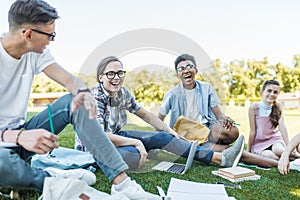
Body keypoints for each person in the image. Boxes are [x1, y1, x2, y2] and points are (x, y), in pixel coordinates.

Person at [0, 1, 160, 199]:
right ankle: (50, 178)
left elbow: (69, 80)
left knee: (73, 102)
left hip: (21, 140)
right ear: (28, 34)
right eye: (50, 35)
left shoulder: (36, 53)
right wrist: (17, 137)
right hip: (6, 146)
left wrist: (83, 92)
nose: (52, 40)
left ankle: (122, 184)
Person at [75, 56, 245, 170]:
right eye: (110, 74)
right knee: (133, 157)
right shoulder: (94, 97)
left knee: (165, 137)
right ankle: (144, 149)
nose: (116, 78)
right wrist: (136, 142)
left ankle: (220, 159)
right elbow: (100, 135)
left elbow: (145, 114)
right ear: (100, 77)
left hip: (116, 135)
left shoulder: (122, 93)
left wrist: (169, 131)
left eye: (120, 73)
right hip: (95, 147)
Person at [158, 54, 280, 168]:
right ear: (178, 74)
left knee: (232, 131)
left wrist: (224, 119)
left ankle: (282, 159)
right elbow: (159, 119)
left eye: (189, 66)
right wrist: (158, 143)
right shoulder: (172, 94)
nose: (186, 70)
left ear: (196, 70)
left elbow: (218, 114)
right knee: (233, 152)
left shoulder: (206, 88)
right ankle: (279, 163)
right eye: (181, 69)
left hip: (207, 130)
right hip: (187, 137)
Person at [247, 80, 299, 160]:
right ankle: (290, 159)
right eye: (269, 91)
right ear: (262, 91)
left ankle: (296, 156)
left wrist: (289, 146)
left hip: (275, 139)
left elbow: (282, 127)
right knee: (269, 156)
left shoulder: (278, 106)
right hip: (260, 143)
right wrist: (249, 149)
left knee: (278, 150)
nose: (272, 94)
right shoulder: (254, 108)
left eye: (275, 92)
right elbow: (252, 131)